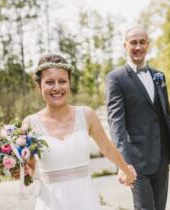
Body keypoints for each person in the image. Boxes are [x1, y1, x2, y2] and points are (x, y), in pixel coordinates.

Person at [21, 54, 137, 210]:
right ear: (39, 86)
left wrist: (126, 171)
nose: (57, 87)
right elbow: (28, 168)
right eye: (49, 82)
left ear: (70, 83)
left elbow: (107, 147)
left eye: (62, 81)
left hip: (85, 200)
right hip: (51, 202)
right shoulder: (30, 124)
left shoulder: (86, 115)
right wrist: (18, 170)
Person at [105, 26, 170, 210]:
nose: (138, 47)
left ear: (148, 45)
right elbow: (116, 124)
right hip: (135, 161)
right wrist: (124, 163)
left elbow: (167, 116)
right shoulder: (116, 78)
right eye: (133, 42)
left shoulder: (159, 76)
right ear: (125, 45)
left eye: (142, 42)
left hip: (161, 156)